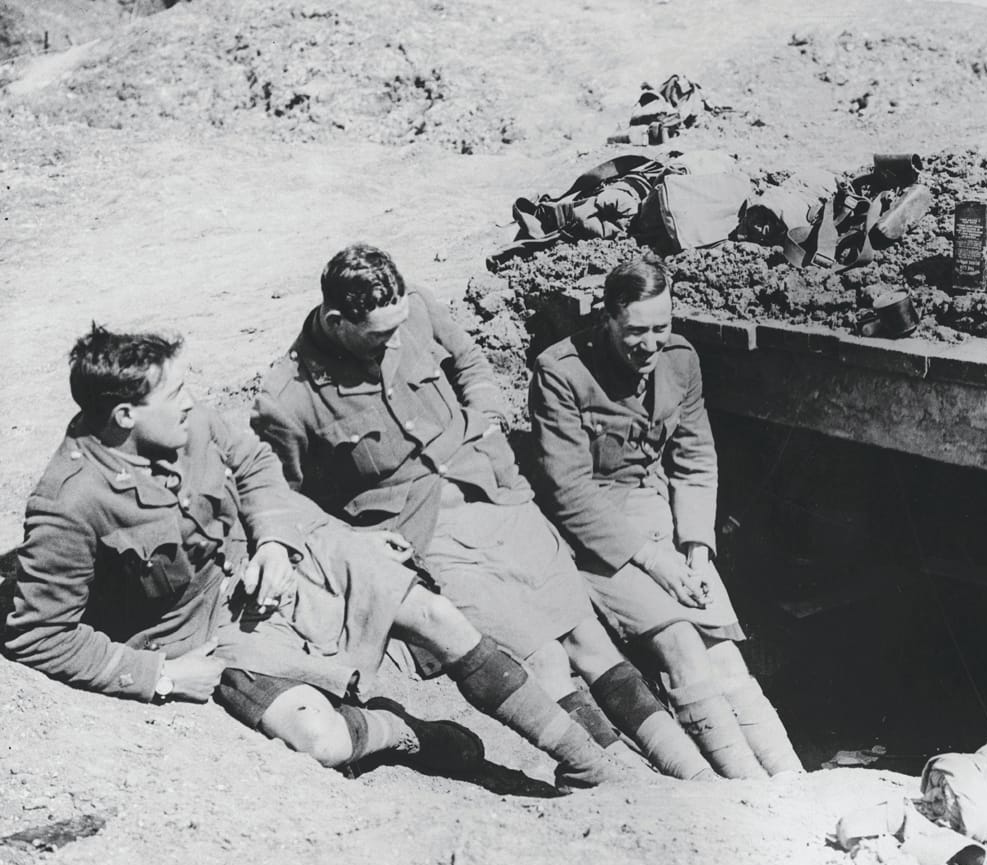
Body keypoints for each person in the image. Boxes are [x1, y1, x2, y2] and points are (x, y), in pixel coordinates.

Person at [4, 325, 632, 789]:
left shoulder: (190, 424)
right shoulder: (68, 505)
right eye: (176, 392)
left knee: (439, 618)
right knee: (322, 740)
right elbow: (37, 632)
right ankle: (396, 729)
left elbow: (254, 468)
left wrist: (275, 540)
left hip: (274, 559)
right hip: (203, 633)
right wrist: (159, 676)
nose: (192, 399)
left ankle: (585, 765)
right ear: (124, 416)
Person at [252, 243, 713, 781]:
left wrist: (486, 417)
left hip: (496, 494)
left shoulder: (415, 307)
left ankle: (692, 776)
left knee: (590, 640)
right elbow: (283, 499)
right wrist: (355, 541)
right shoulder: (288, 398)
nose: (397, 340)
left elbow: (472, 362)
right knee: (542, 659)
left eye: (400, 325)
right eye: (381, 336)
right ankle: (615, 776)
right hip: (427, 534)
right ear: (337, 321)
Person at [527, 256, 804, 778]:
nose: (651, 344)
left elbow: (695, 459)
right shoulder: (560, 372)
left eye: (662, 328)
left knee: (724, 655)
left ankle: (791, 784)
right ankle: (741, 789)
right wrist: (658, 563)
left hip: (663, 523)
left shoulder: (680, 360)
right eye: (636, 331)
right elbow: (567, 490)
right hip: (597, 537)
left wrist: (696, 551)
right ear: (606, 319)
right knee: (679, 644)